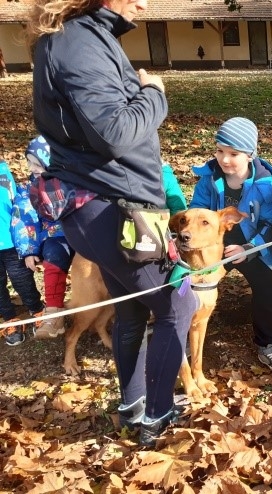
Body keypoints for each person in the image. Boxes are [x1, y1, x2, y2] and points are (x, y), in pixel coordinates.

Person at [28, 0, 198, 447]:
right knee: (179, 304)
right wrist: (154, 93)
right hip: (112, 209)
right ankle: (157, 416)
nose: (144, 4)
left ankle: (134, 406)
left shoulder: (82, 37)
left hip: (115, 204)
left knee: (132, 307)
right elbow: (115, 133)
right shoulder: (77, 42)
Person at [189, 117, 272, 376]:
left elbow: (271, 223)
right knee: (192, 283)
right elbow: (196, 211)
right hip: (213, 243)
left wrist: (249, 248)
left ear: (250, 155)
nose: (224, 159)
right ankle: (187, 333)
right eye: (220, 150)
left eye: (233, 154)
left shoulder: (264, 186)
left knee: (265, 288)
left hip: (250, 245)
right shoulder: (209, 179)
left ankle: (267, 345)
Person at [16, 136, 76, 339]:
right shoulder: (30, 187)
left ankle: (109, 306)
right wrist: (29, 249)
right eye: (29, 162)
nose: (31, 168)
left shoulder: (71, 180)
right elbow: (24, 218)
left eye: (36, 163)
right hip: (54, 234)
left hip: (81, 232)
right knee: (53, 256)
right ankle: (54, 315)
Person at [0, 159, 45, 346]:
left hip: (11, 242)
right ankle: (9, 319)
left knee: (22, 279)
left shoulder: (2, 172)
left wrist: (27, 245)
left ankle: (37, 309)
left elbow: (19, 208)